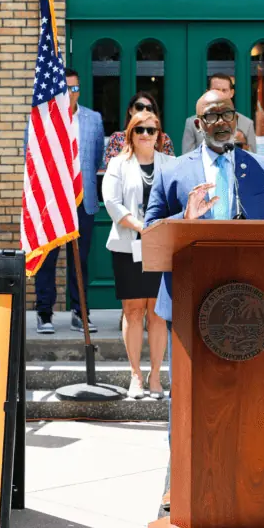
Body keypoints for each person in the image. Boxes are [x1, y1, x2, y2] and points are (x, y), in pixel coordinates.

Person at [145, 88, 264, 511]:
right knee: (187, 401)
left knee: (253, 397)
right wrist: (184, 219)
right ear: (198, 125)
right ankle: (177, 487)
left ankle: (253, 483)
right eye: (211, 117)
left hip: (251, 306)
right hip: (189, 302)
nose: (221, 122)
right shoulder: (173, 172)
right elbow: (151, 232)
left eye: (227, 114)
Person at [29, 68, 104, 334]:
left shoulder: (93, 119)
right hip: (52, 201)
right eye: (65, 89)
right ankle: (44, 312)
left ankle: (79, 311)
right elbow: (34, 158)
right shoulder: (43, 119)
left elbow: (96, 159)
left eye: (74, 89)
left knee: (80, 260)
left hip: (83, 201)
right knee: (48, 258)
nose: (70, 94)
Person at [101, 110, 170, 399]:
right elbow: (112, 203)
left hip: (161, 246)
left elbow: (177, 198)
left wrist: (159, 229)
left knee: (157, 312)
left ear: (159, 135)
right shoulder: (118, 164)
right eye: (139, 129)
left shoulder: (170, 164)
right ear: (130, 133)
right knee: (133, 310)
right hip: (129, 245)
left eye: (151, 130)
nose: (145, 134)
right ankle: (135, 375)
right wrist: (142, 226)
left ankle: (155, 376)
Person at [181, 74, 256, 154]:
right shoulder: (192, 122)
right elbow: (187, 156)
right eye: (216, 90)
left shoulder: (247, 123)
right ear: (207, 92)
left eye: (224, 90)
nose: (220, 93)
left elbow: (253, 157)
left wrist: (242, 144)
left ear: (232, 93)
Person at [104, 92, 175, 165]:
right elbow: (111, 167)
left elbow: (171, 168)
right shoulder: (117, 138)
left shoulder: (163, 139)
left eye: (149, 108)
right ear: (130, 111)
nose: (144, 111)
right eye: (139, 107)